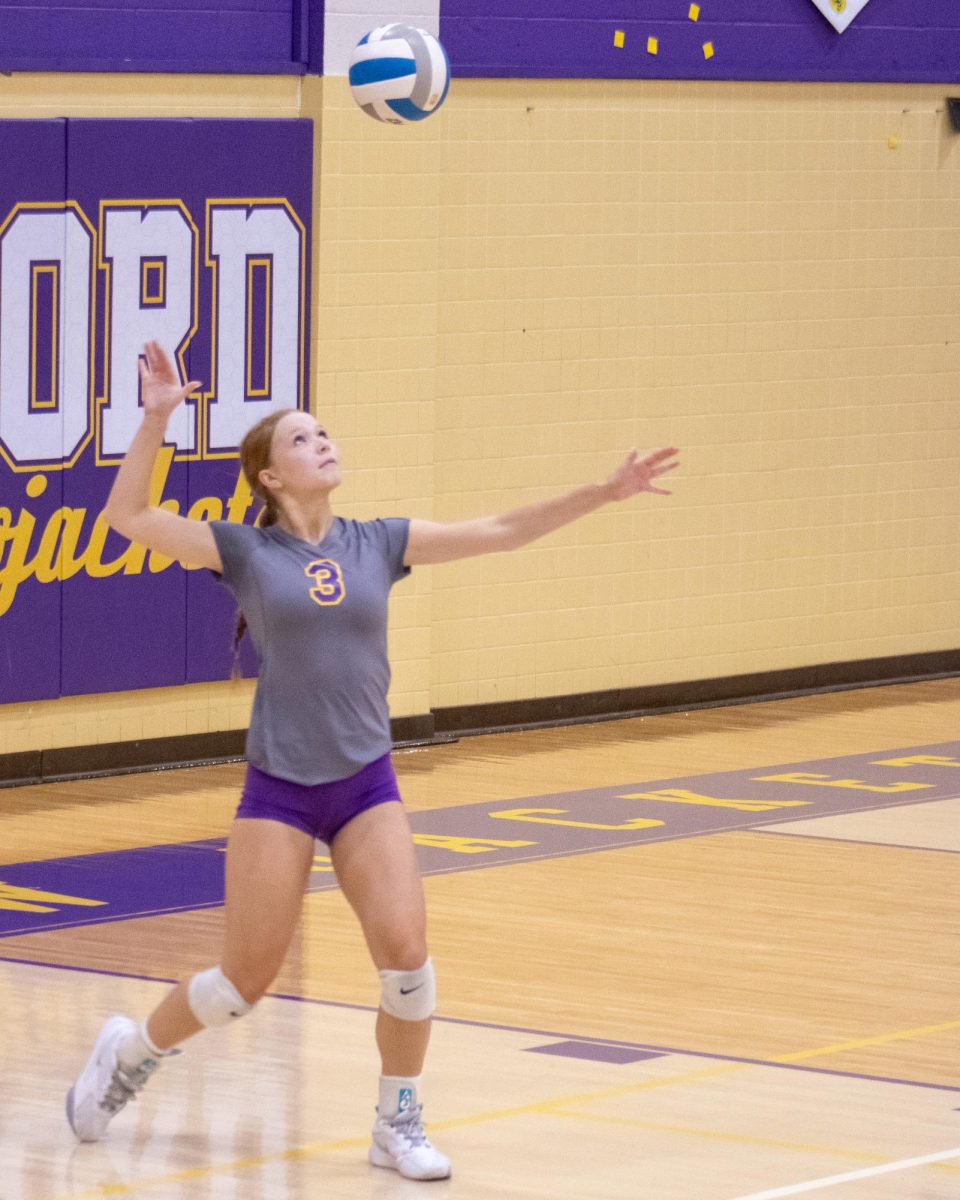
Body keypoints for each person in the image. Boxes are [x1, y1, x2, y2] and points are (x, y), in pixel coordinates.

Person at [66, 340, 679, 1180]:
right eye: (302, 439)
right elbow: (128, 519)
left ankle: (397, 1120)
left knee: (408, 963)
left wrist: (603, 494)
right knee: (244, 983)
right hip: (280, 788)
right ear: (272, 478)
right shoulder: (246, 552)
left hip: (365, 784)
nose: (322, 443)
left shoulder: (379, 542)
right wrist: (157, 418)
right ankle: (130, 1053)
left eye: (324, 433)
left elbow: (499, 532)